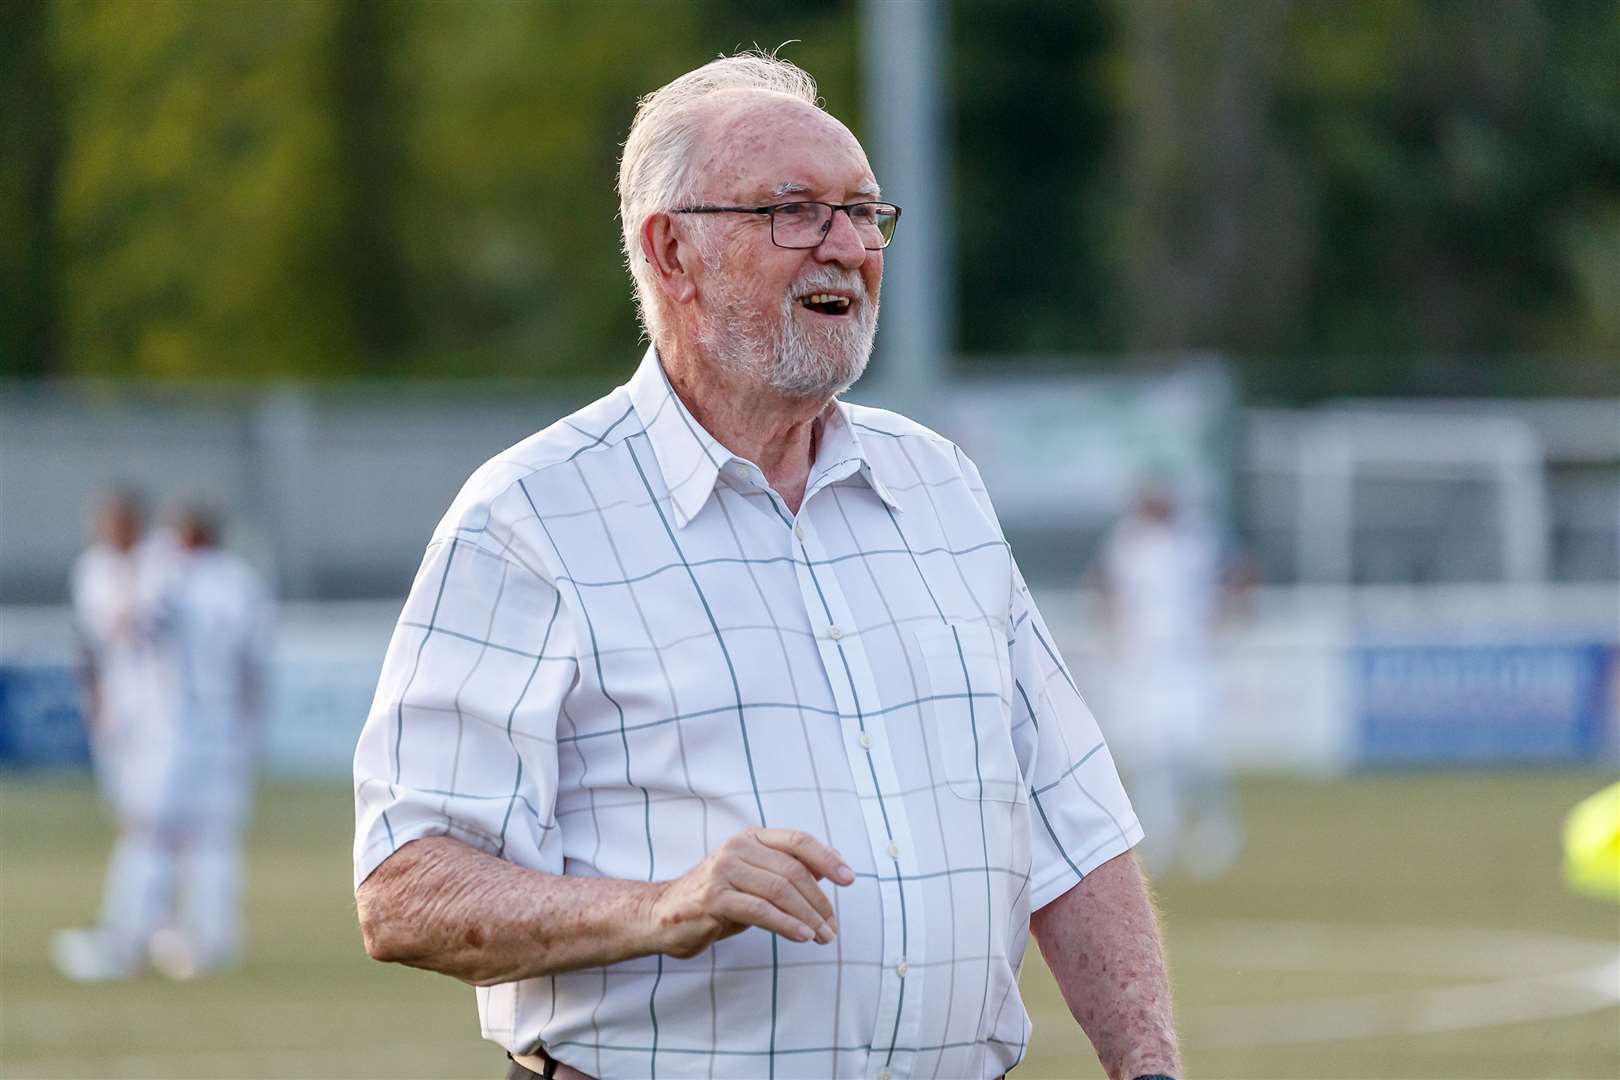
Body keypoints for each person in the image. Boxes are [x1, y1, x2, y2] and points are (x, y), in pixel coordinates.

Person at [353, 53, 1180, 1080]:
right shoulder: (528, 519)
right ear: (672, 253)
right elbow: (406, 889)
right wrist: (661, 909)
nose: (846, 246)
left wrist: (1148, 1070)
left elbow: (1074, 828)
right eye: (794, 211)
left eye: (862, 212)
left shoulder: (941, 491)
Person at [53, 496, 271, 981]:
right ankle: (210, 941)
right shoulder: (242, 582)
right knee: (212, 836)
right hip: (224, 730)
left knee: (147, 833)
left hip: (171, 728)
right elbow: (255, 666)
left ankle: (123, 943)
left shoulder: (172, 578)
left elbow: (126, 628)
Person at [1095, 483, 1243, 879]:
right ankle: (1158, 833)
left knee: (1196, 749)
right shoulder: (1126, 541)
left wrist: (1219, 624)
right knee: (1147, 753)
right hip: (1142, 662)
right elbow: (1110, 592)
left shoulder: (1196, 537)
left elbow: (1228, 581)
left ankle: (1218, 831)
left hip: (1186, 660)